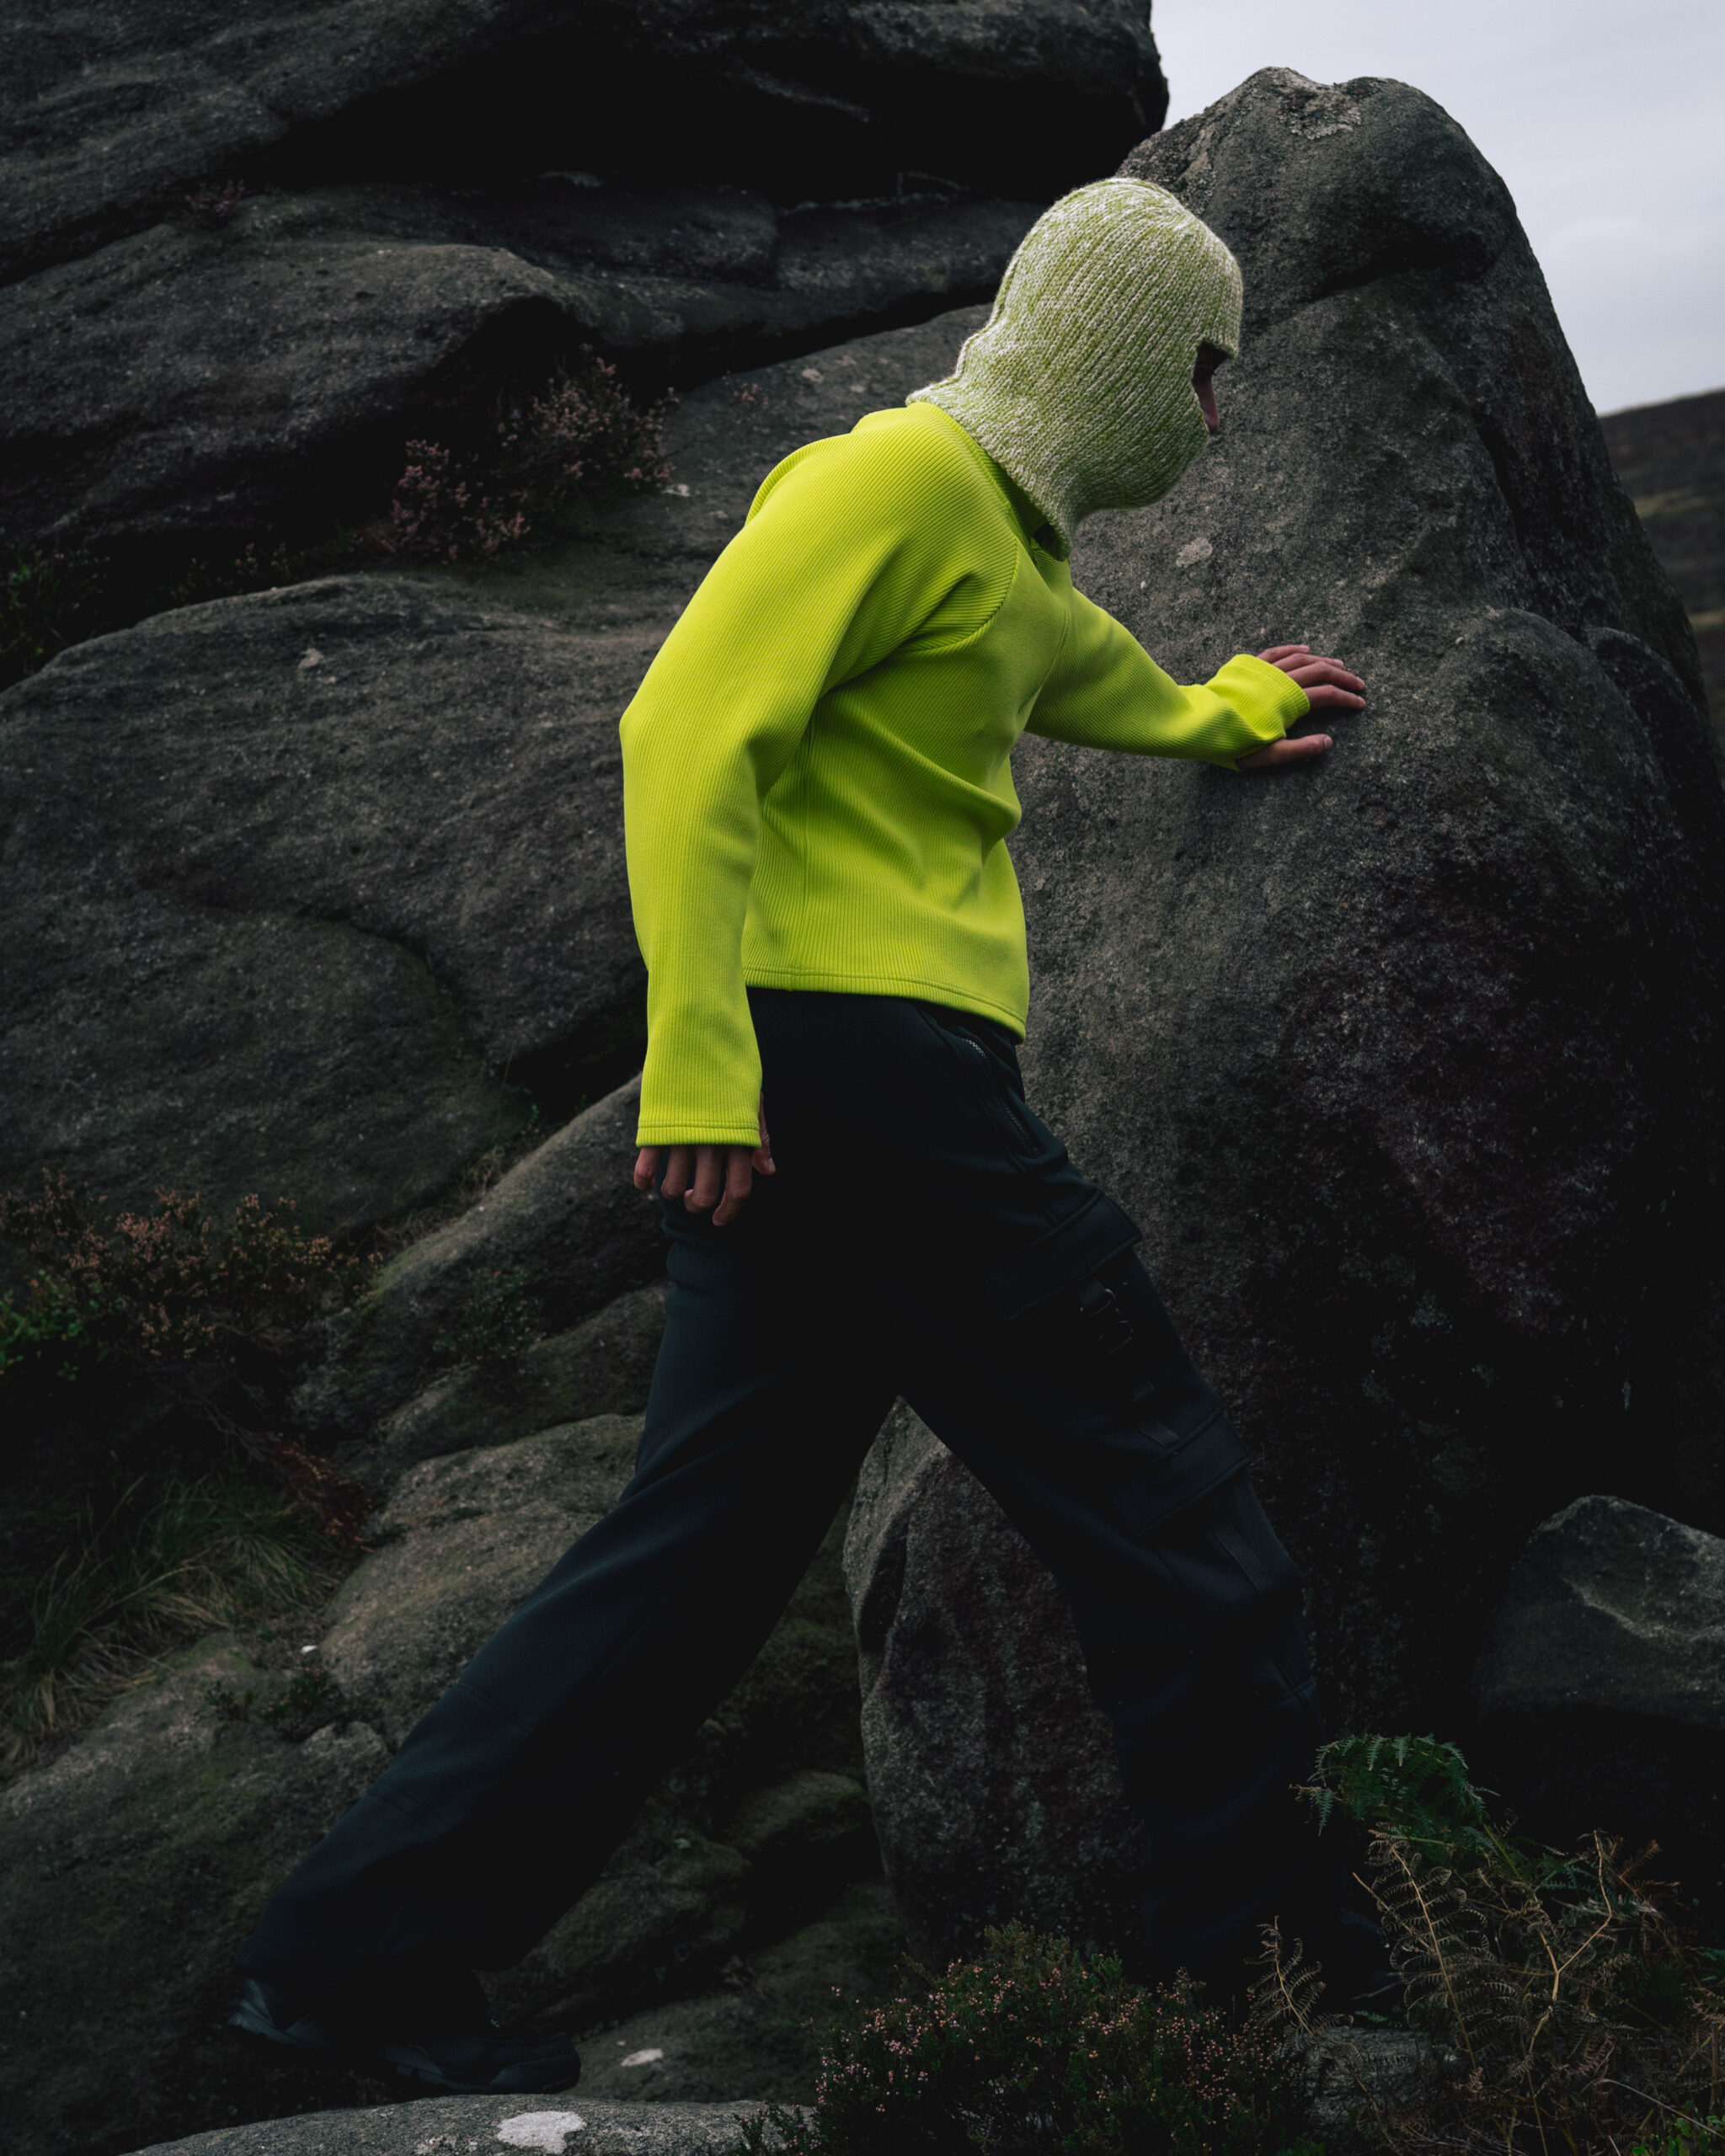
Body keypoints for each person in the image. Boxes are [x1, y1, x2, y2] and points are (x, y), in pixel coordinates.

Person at [229, 177, 1372, 2097]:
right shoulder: (891, 478)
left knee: (689, 1565)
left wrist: (1223, 709)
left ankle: (344, 1976)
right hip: (861, 1084)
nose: (1210, 417)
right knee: (1168, 1502)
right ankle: (1268, 1978)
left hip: (845, 1102)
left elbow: (1072, 663)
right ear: (1114, 348)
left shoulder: (1001, 543)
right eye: (1202, 371)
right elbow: (682, 729)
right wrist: (696, 1063)